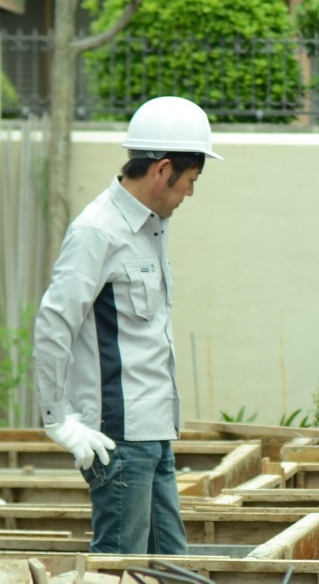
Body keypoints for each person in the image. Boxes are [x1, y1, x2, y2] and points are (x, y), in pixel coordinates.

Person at [32, 96, 219, 555]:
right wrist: (58, 420)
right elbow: (55, 321)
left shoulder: (151, 226)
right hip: (118, 437)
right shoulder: (99, 230)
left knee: (170, 570)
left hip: (153, 435)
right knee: (119, 579)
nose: (190, 193)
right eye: (190, 180)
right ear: (162, 170)